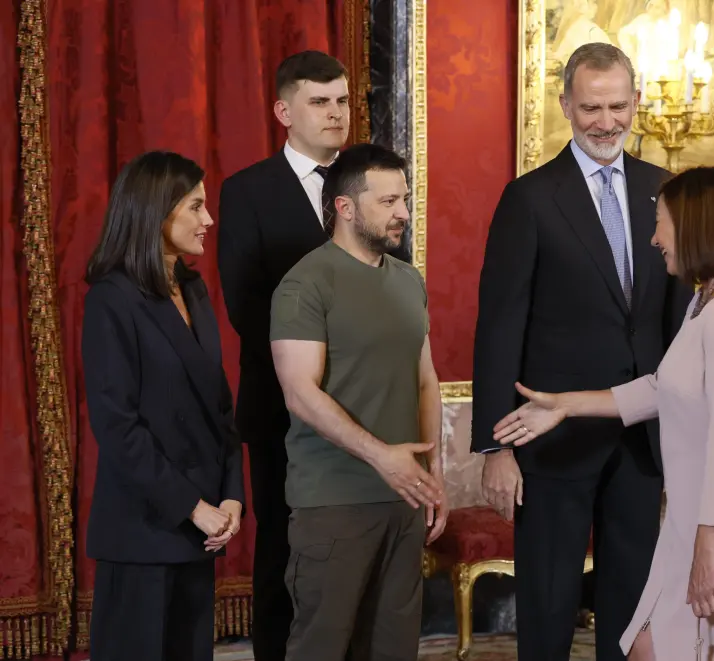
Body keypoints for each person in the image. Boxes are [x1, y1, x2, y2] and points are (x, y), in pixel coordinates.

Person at [492, 166, 714, 661]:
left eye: (662, 222)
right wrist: (566, 405)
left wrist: (706, 552)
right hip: (701, 520)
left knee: (660, 648)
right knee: (646, 645)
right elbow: (665, 387)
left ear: (696, 223)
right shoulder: (712, 294)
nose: (654, 239)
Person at [471, 42, 693, 661]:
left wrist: (683, 424)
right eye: (592, 107)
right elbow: (498, 326)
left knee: (634, 597)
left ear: (637, 101)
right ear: (566, 105)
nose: (606, 122)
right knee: (547, 600)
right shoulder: (530, 198)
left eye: (618, 106)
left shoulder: (665, 190)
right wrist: (496, 446)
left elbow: (676, 322)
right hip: (550, 440)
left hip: (640, 437)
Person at [269, 143, 448, 661]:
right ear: (345, 208)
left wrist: (431, 471)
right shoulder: (305, 283)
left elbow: (425, 379)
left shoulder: (408, 280)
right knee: (322, 649)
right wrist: (381, 456)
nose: (403, 214)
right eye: (388, 201)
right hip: (333, 502)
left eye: (405, 199)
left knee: (394, 649)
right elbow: (300, 392)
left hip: (405, 499)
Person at [82, 151, 246, 661]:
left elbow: (220, 406)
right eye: (196, 207)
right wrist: (193, 508)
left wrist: (231, 496)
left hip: (199, 530)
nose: (209, 220)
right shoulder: (111, 299)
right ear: (157, 212)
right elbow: (117, 427)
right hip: (143, 531)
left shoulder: (193, 288)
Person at [217, 50, 350, 661]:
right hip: (281, 407)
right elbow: (246, 307)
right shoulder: (247, 191)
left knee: (354, 549)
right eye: (320, 102)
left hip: (366, 403)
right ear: (283, 110)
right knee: (284, 549)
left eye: (343, 101)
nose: (335, 114)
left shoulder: (367, 182)